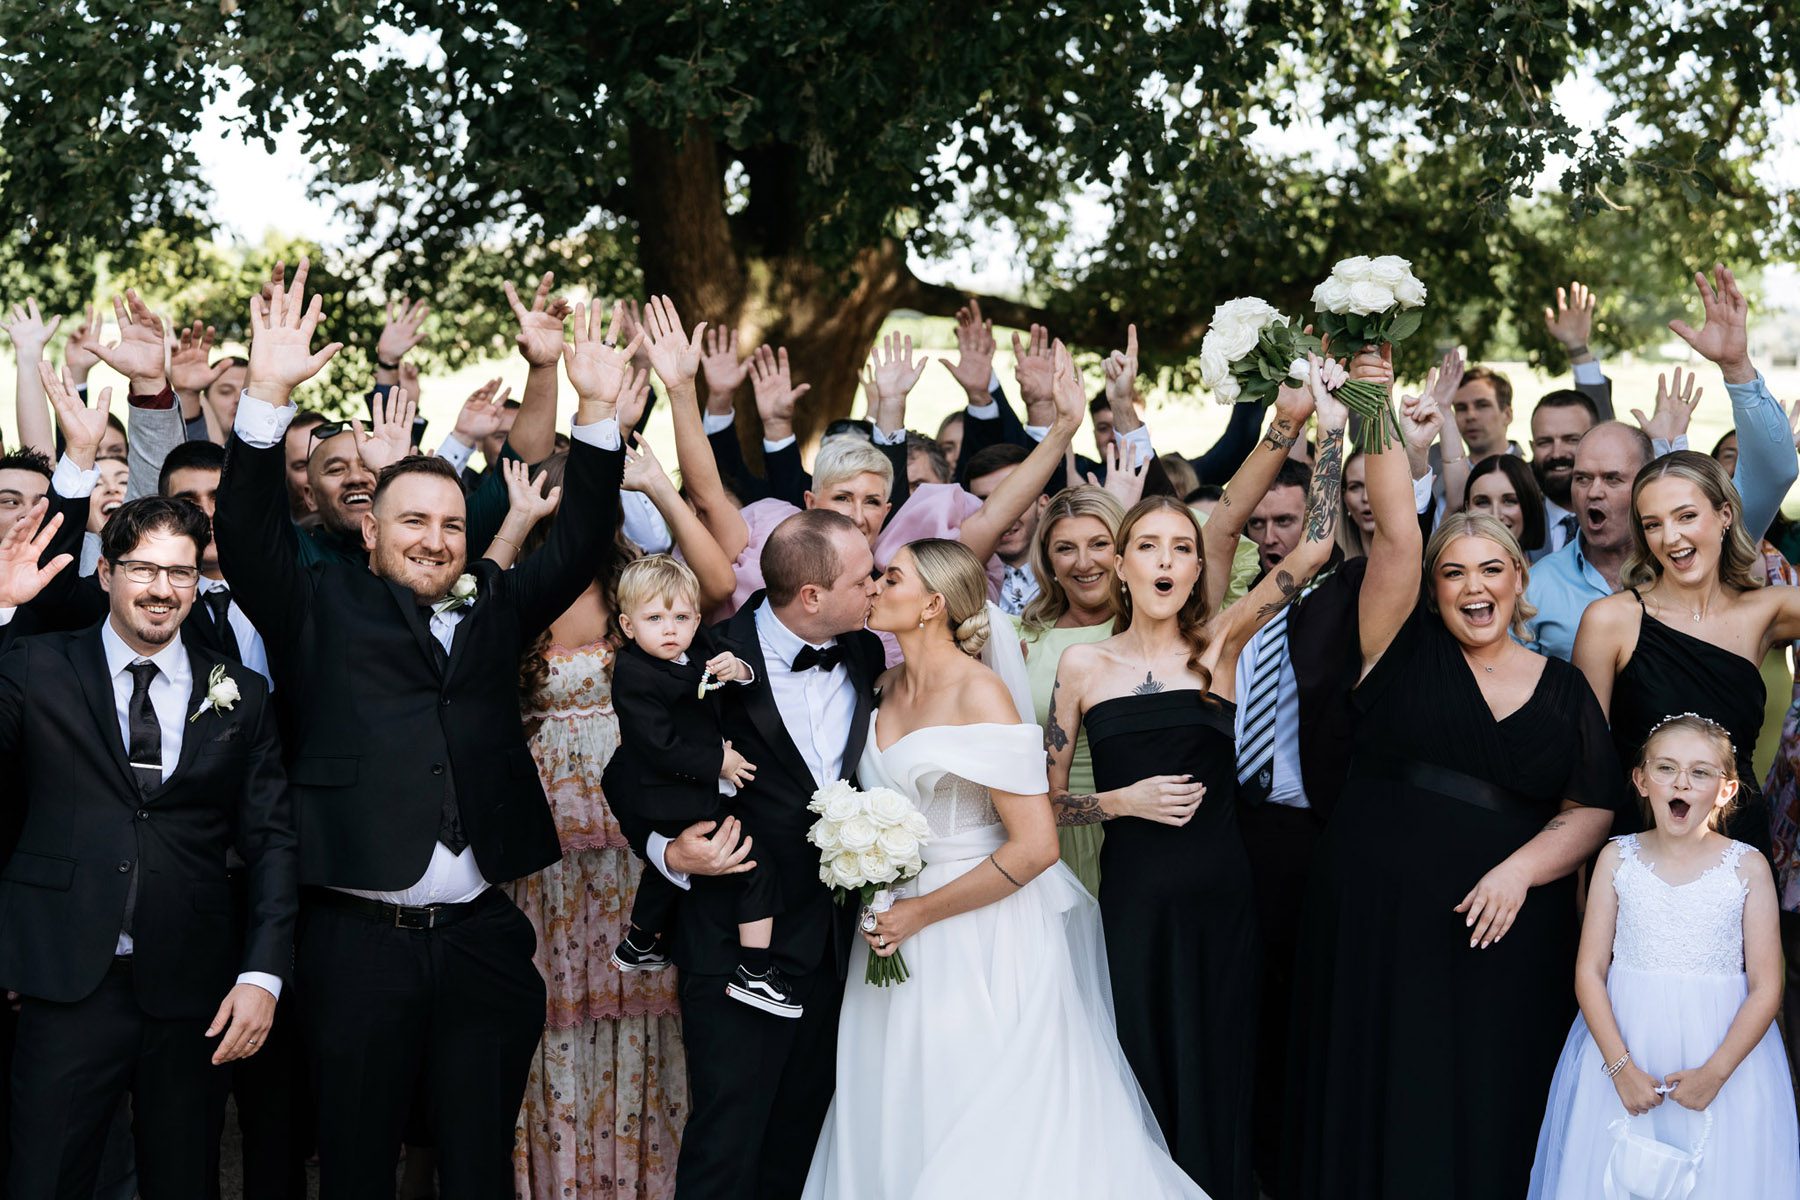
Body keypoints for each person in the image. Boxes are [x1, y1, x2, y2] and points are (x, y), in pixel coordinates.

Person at [212, 260, 629, 1198]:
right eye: (412, 521)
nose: (435, 538)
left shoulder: (493, 612)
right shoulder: (316, 605)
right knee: (358, 1165)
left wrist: (597, 419)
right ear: (369, 529)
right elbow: (244, 530)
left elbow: (577, 540)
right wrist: (269, 394)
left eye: (448, 523)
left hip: (481, 939)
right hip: (356, 944)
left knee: (478, 1164)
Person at [803, 539, 1207, 1199]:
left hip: (978, 934)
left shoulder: (981, 693)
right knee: (898, 1094)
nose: (874, 584)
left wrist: (917, 912)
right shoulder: (882, 684)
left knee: (978, 1103)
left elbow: (1036, 846)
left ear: (933, 604)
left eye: (891, 575)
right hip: (889, 926)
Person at [1045, 354, 1350, 1199]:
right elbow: (1040, 803)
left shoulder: (1220, 646)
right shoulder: (1082, 666)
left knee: (1221, 1069)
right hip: (1135, 901)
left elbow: (1318, 543)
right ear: (1122, 564)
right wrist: (1116, 801)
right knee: (1138, 1068)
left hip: (1223, 894)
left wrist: (1327, 432)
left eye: (1184, 545)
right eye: (1150, 545)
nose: (1170, 558)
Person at [1285, 511, 1623, 1200]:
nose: (1475, 586)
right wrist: (1370, 407)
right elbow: (1397, 535)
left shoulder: (1564, 688)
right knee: (1385, 1077)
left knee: (1490, 1086)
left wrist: (1518, 872)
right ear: (1430, 588)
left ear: (1519, 578)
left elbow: (1592, 806)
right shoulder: (1394, 649)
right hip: (1381, 920)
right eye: (1454, 571)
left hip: (1509, 927)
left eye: (1492, 568)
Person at [0, 495, 297, 1199]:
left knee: (184, 1178)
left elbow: (272, 840)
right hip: (65, 978)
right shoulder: (37, 664)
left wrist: (263, 975)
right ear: (106, 574)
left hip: (192, 985)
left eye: (182, 574)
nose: (163, 590)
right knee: (43, 1177)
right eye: (144, 569)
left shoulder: (243, 693)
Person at [641, 507, 884, 1200]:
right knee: (729, 1136)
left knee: (803, 1137)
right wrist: (666, 850)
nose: (876, 586)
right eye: (864, 576)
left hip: (837, 942)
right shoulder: (700, 662)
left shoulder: (863, 653)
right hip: (736, 943)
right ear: (812, 595)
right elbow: (630, 776)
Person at [1529, 715, 1799, 1199]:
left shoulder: (1748, 866)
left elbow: (1767, 986)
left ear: (1726, 789)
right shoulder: (1617, 858)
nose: (1681, 782)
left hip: (1723, 1057)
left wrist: (1716, 1073)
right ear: (1640, 779)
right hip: (1625, 1050)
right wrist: (1621, 1069)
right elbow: (1590, 971)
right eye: (1667, 768)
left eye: (1699, 773)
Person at [1528, 265, 1800, 662]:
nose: (1594, 491)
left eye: (1613, 478)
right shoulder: (1540, 584)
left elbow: (1775, 471)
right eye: (1582, 478)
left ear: (1644, 489)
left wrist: (1737, 368)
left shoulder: (1703, 557)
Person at [1573, 451, 1800, 863]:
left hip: (1739, 846)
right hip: (1638, 846)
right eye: (1653, 525)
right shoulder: (1611, 620)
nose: (1671, 538)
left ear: (1725, 515)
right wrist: (1579, 872)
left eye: (1686, 516)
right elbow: (1582, 764)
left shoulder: (1766, 610)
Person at [603, 556, 792, 1014]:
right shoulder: (633, 675)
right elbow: (659, 747)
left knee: (670, 872)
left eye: (681, 617)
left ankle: (641, 941)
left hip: (686, 790)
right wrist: (719, 762)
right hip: (668, 792)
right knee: (753, 863)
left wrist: (738, 670)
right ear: (628, 625)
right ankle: (755, 971)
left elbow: (728, 680)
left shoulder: (701, 647)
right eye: (654, 618)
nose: (670, 629)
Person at [1013, 486, 1128, 894]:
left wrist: (1129, 506)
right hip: (1044, 835)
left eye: (1099, 543)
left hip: (1137, 829)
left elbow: (1219, 536)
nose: (1084, 563)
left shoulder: (1153, 633)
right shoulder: (1019, 639)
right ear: (1047, 560)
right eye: (1065, 548)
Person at [1529, 389, 1598, 556]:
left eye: (1571, 440)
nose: (1557, 453)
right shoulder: (1517, 524)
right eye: (1544, 442)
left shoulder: (1625, 522)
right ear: (1532, 447)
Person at [1464, 453, 1547, 557]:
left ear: (1529, 505)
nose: (1495, 515)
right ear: (1467, 508)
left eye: (1509, 501)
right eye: (1482, 502)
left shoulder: (1547, 572)